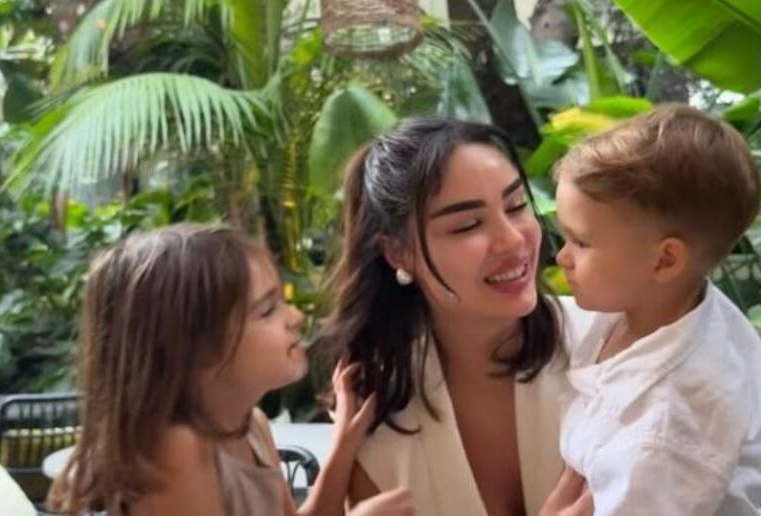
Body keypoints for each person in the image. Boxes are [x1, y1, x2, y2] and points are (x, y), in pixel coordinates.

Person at [315, 117, 595, 516]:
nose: (513, 240)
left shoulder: (610, 345)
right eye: (468, 225)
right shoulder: (374, 403)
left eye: (517, 206)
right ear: (398, 253)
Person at [47, 223, 414, 516]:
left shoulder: (251, 427)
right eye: (267, 310)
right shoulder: (175, 449)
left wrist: (345, 442)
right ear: (195, 349)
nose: (295, 317)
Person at [553, 104, 761, 514]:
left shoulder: (662, 431)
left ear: (665, 261)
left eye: (581, 242)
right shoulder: (667, 302)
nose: (562, 257)